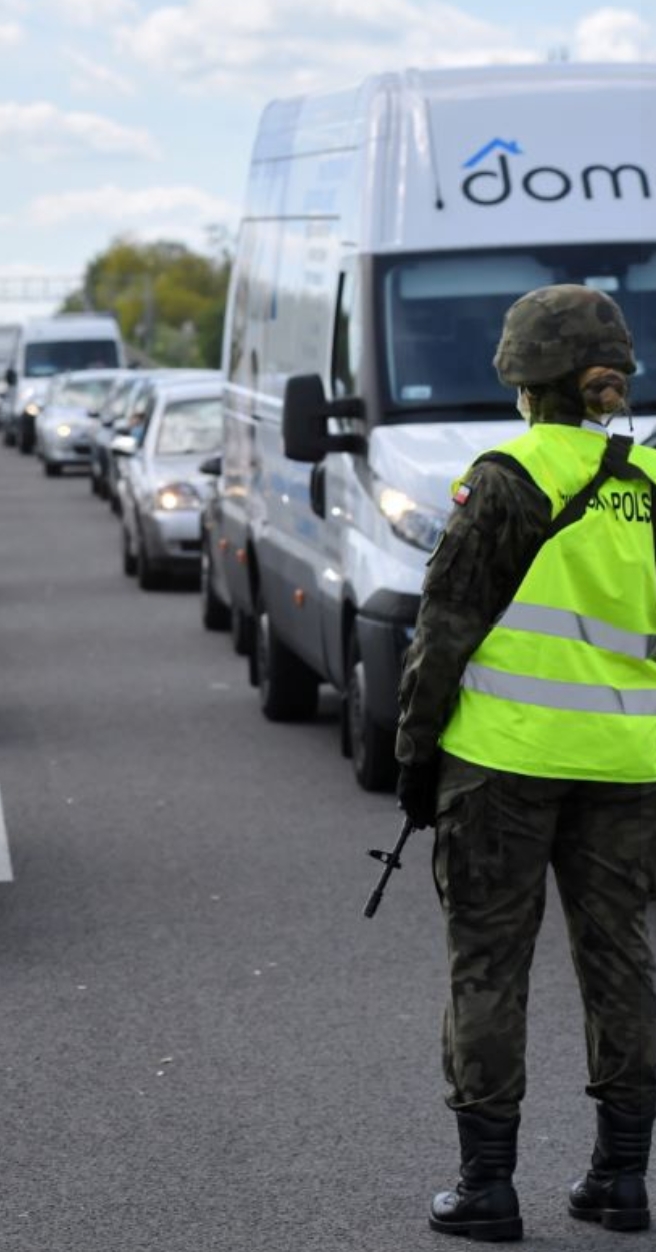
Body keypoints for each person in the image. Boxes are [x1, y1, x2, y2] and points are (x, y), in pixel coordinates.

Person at [395, 283, 656, 1242]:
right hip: (628, 764)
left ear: (524, 382)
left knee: (489, 967)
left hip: (502, 765)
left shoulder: (507, 477)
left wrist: (414, 757)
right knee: (622, 959)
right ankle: (621, 1182)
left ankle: (487, 1189)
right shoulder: (650, 483)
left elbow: (443, 632)